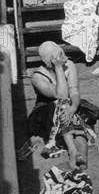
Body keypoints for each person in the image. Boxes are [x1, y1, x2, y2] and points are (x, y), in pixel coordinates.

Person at [27, 41, 92, 169]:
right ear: (48, 62)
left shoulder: (69, 65)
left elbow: (73, 91)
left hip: (68, 106)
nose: (64, 59)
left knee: (76, 119)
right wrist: (58, 68)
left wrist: (73, 108)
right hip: (46, 109)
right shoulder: (37, 77)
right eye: (59, 57)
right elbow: (61, 94)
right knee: (62, 108)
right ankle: (73, 150)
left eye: (63, 55)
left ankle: (82, 155)